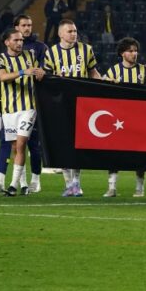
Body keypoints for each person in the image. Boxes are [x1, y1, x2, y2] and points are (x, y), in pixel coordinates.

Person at [42, 19, 101, 196]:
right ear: (60, 34)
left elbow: (93, 72)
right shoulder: (51, 53)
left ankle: (76, 182)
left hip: (82, 104)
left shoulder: (86, 49)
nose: (74, 34)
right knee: (63, 144)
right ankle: (69, 184)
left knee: (79, 144)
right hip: (61, 104)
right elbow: (46, 77)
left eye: (75, 31)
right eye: (70, 31)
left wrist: (104, 83)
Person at [0, 15, 47, 194]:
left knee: (22, 143)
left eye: (21, 40)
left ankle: (13, 185)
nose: (20, 43)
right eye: (16, 40)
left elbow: (40, 69)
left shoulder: (31, 54)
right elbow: (2, 77)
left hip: (28, 108)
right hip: (9, 110)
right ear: (7, 42)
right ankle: (21, 184)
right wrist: (24, 71)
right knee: (15, 146)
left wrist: (40, 72)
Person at [101, 38, 146, 198]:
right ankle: (112, 188)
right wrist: (106, 82)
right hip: (118, 119)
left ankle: (139, 188)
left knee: (140, 155)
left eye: (135, 50)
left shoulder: (144, 71)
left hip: (138, 119)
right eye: (130, 51)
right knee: (114, 153)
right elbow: (101, 86)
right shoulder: (113, 71)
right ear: (122, 53)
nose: (134, 53)